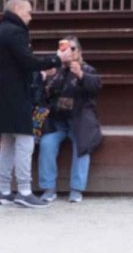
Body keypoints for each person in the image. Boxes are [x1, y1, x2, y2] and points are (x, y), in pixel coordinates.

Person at [0, 0, 59, 207]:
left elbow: (15, 66)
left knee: (7, 143)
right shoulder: (15, 32)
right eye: (28, 12)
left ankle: (3, 190)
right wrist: (56, 59)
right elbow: (27, 61)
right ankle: (24, 191)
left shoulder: (0, 31)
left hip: (2, 94)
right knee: (25, 142)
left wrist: (40, 73)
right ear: (18, 9)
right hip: (17, 96)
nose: (30, 17)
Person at [36, 35, 102, 203]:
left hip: (79, 121)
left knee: (82, 147)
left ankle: (76, 189)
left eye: (71, 49)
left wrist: (80, 74)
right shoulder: (56, 70)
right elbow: (45, 95)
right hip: (58, 121)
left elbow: (95, 86)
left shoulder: (87, 69)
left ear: (78, 51)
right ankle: (48, 188)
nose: (68, 52)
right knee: (47, 144)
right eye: (64, 49)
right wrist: (45, 78)